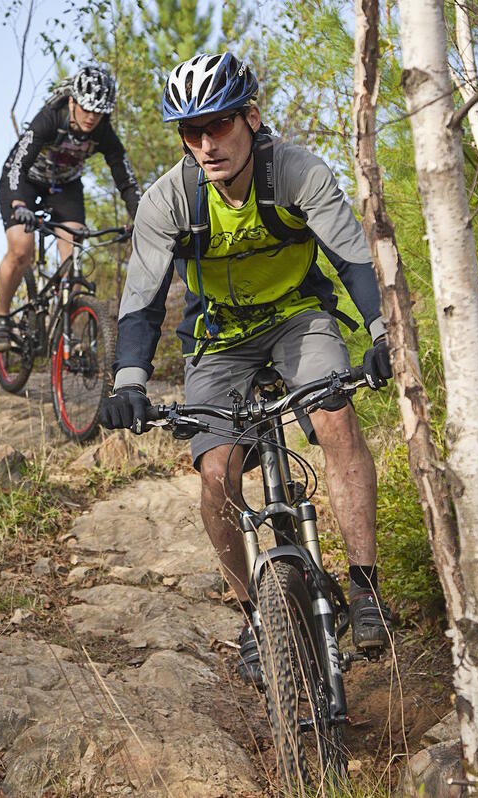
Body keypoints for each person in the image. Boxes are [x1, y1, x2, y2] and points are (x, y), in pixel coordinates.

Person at [99, 52, 393, 685]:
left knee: (336, 419)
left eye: (221, 124)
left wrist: (382, 331)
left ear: (252, 119)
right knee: (215, 472)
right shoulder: (168, 200)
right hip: (219, 338)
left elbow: (354, 262)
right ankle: (256, 614)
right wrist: (129, 383)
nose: (207, 144)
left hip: (298, 317)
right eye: (191, 131)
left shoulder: (297, 173)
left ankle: (366, 588)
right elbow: (142, 303)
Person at [0, 65, 141, 351]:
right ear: (73, 101)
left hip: (65, 187)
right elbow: (17, 163)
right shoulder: (50, 118)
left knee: (73, 262)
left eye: (99, 112)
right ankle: (0, 319)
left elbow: (126, 179)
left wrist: (142, 216)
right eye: (86, 109)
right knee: (22, 249)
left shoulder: (103, 131)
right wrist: (19, 203)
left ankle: (64, 337)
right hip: (23, 181)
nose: (91, 117)